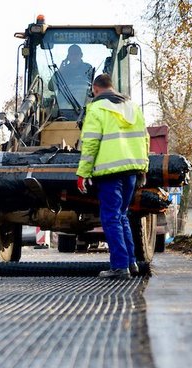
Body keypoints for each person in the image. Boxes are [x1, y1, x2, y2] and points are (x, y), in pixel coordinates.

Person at [75, 73, 149, 279]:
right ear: (112, 87)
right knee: (122, 215)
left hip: (109, 173)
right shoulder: (133, 107)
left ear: (95, 90)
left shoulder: (96, 108)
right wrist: (144, 167)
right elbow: (145, 139)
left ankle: (119, 266)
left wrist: (83, 173)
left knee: (111, 218)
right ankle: (131, 262)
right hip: (132, 171)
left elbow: (90, 143)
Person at [52, 45, 93, 113]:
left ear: (81, 55)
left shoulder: (88, 68)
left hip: (85, 107)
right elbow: (51, 87)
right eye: (71, 54)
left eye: (76, 54)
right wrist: (60, 70)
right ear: (68, 56)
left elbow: (92, 87)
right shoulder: (63, 70)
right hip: (64, 107)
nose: (74, 56)